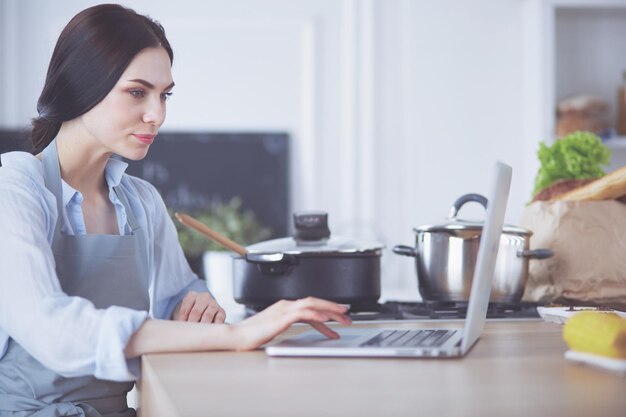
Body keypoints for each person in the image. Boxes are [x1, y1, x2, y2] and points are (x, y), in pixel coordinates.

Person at [0, 4, 351, 416]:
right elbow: (53, 331)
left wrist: (197, 301)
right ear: (81, 85)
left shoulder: (141, 200)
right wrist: (235, 335)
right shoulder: (15, 186)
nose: (157, 115)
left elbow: (178, 295)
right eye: (137, 92)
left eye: (164, 95)